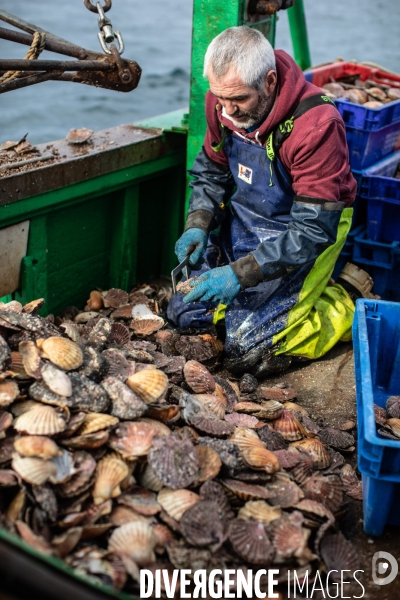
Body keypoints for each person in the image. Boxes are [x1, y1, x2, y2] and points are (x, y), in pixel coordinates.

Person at [167, 26, 366, 377]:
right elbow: (212, 171)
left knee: (253, 349)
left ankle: (345, 296)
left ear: (270, 82)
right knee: (187, 314)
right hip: (247, 213)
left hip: (306, 228)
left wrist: (237, 274)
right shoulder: (223, 100)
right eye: (221, 99)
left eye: (239, 100)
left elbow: (311, 231)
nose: (227, 111)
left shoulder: (316, 126)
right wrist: (197, 223)